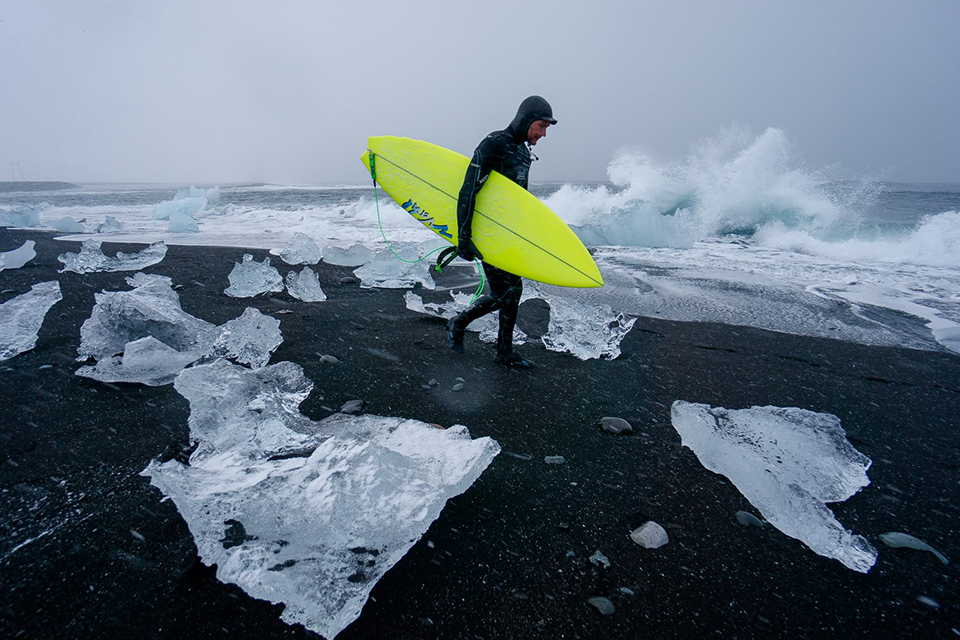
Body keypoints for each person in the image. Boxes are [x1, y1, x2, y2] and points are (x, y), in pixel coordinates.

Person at [446, 95, 557, 369]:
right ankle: (459, 323)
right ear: (526, 120)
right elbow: (468, 189)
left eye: (545, 129)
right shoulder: (494, 144)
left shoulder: (521, 150)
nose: (543, 134)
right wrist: (464, 237)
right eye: (540, 127)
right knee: (502, 293)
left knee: (514, 291)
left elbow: (517, 198)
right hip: (488, 232)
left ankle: (504, 350)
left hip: (509, 233)